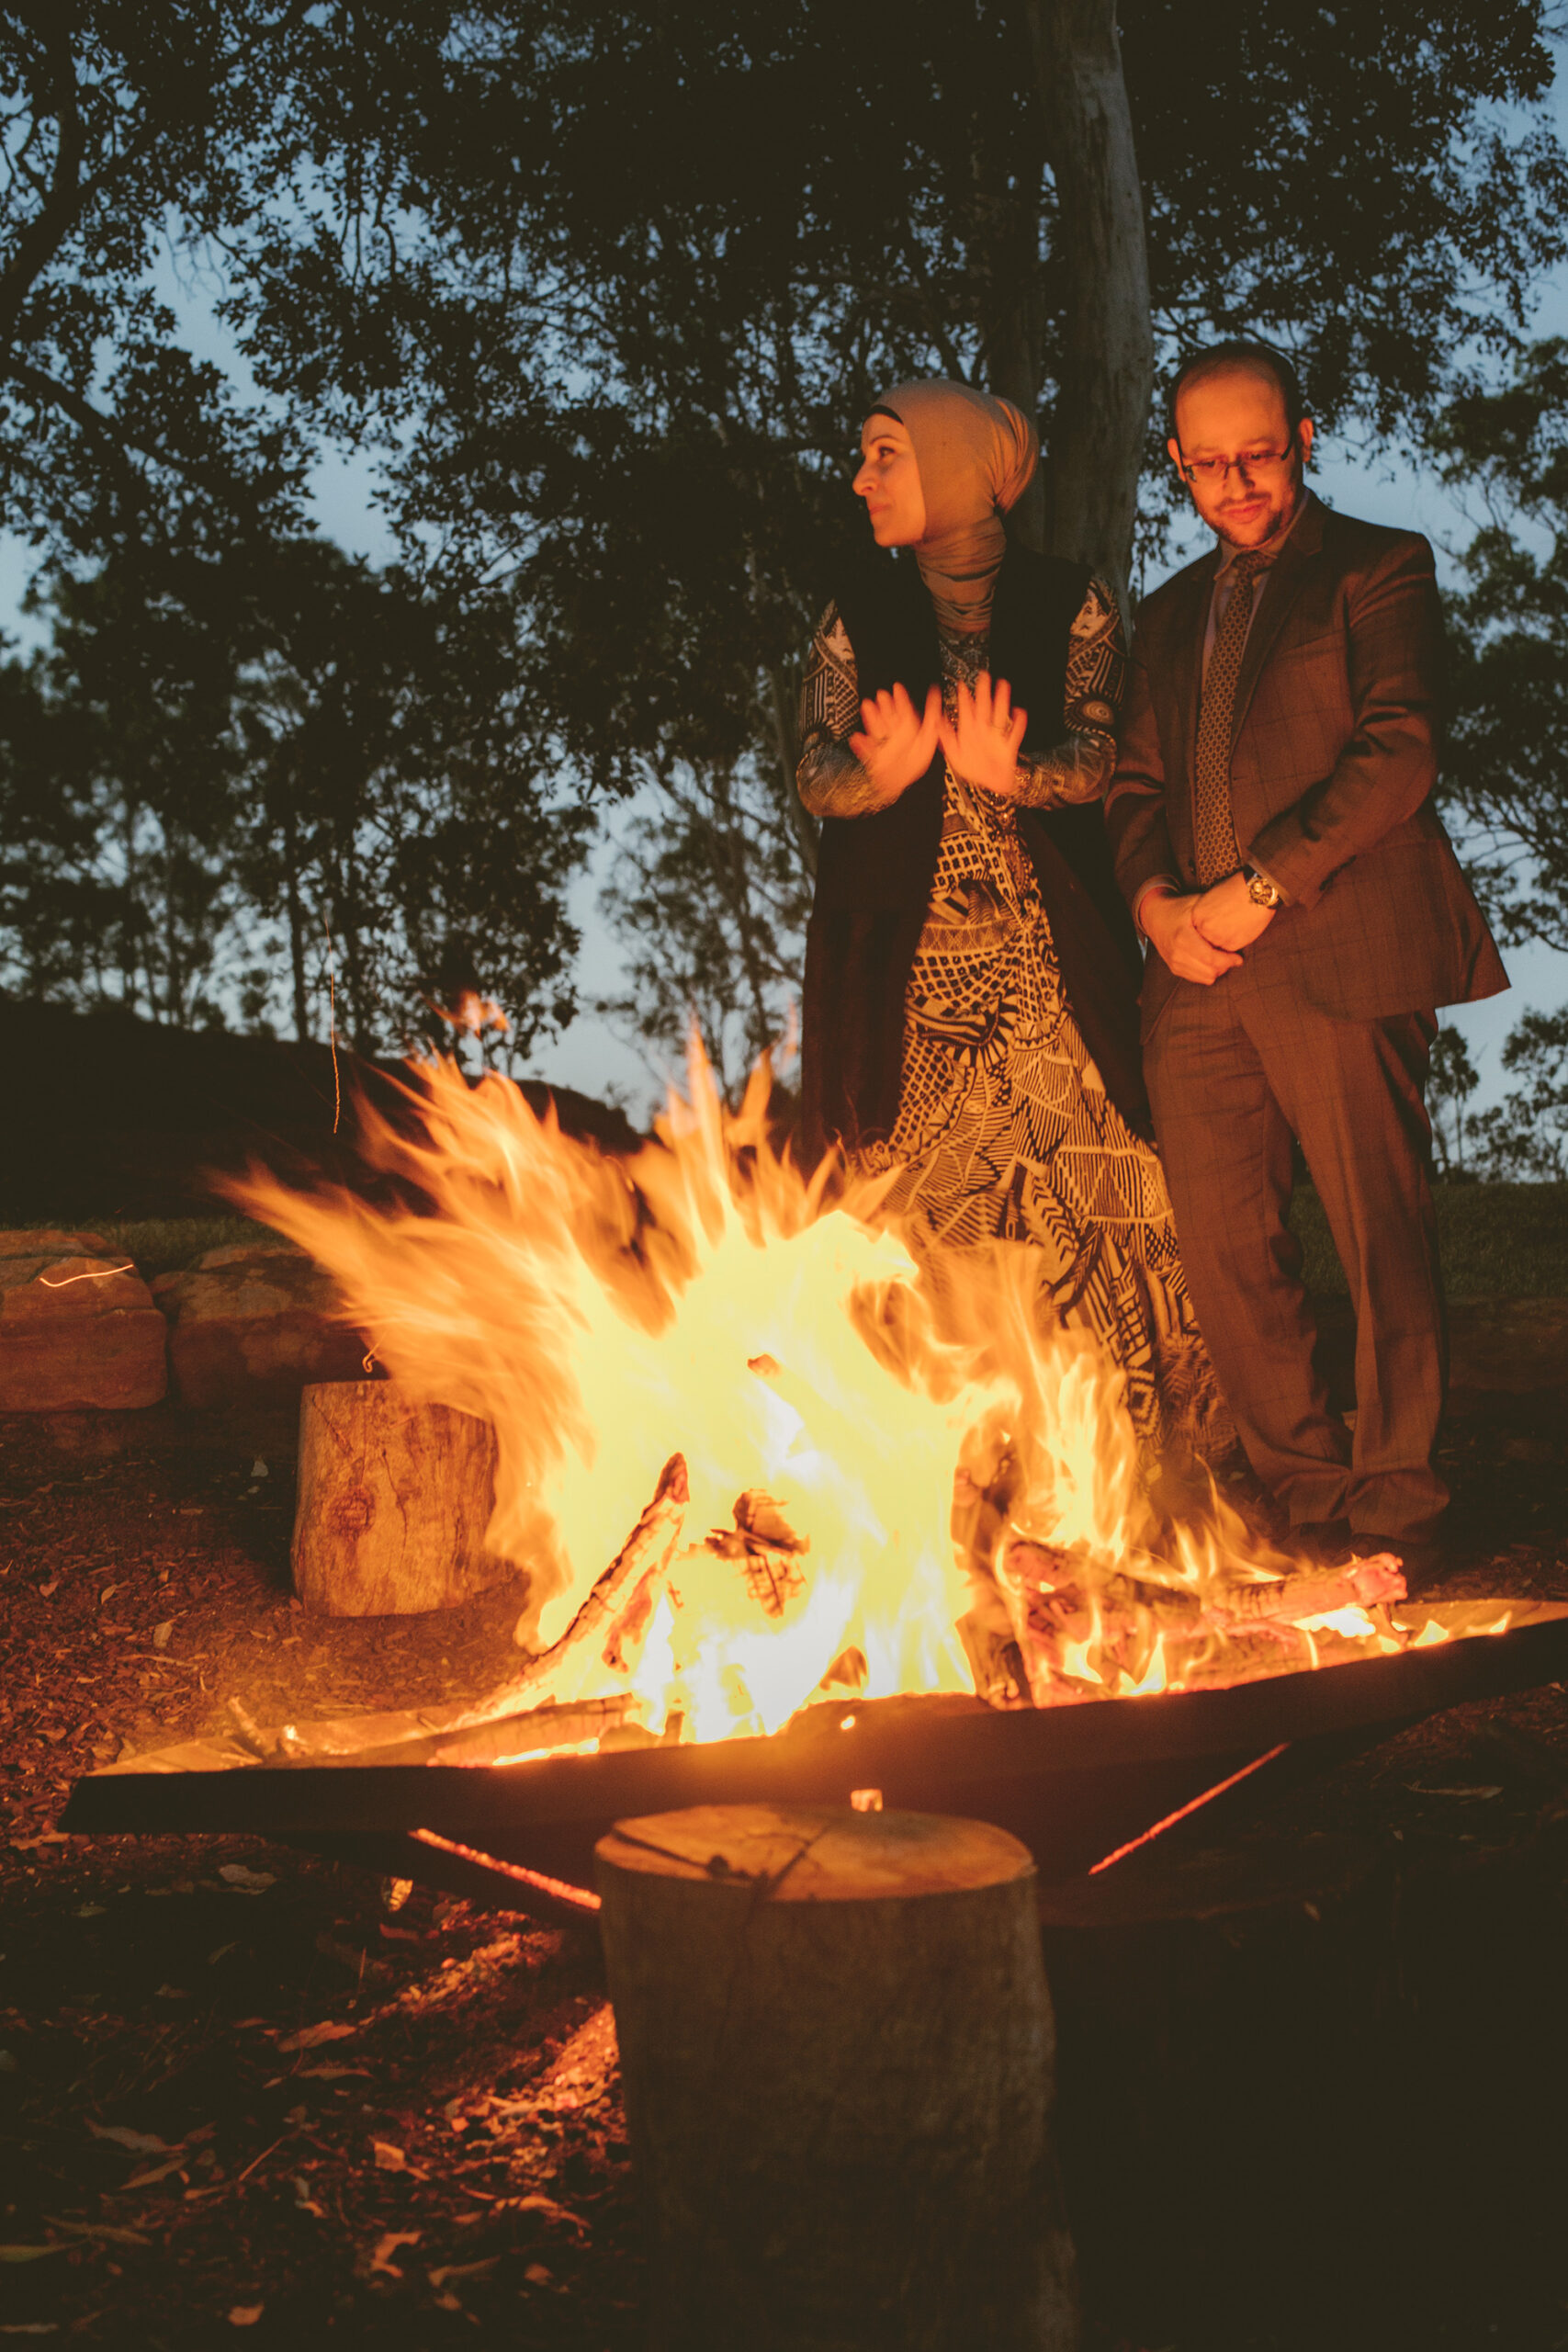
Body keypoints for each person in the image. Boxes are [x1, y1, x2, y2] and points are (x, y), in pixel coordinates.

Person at [1107, 339, 1507, 1567]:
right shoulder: (1166, 615)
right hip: (1192, 976)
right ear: (1173, 462)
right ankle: (1308, 1508)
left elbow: (1397, 751)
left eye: (1259, 455)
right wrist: (1156, 908)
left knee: (1376, 1233)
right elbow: (1129, 788)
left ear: (1305, 438)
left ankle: (1398, 1508)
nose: (1233, 483)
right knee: (1228, 1255)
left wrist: (1257, 885)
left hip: (1335, 944)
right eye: (1206, 463)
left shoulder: (1376, 568)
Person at [796, 378, 1228, 1463]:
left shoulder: (1068, 599)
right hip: (909, 980)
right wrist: (876, 780)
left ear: (952, 465)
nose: (864, 477)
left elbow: (1106, 755)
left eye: (887, 454)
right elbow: (811, 768)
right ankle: (936, 1469)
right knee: (912, 1210)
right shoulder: (858, 607)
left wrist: (1018, 774)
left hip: (1047, 978)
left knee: (1116, 1196)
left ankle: (1136, 1470)